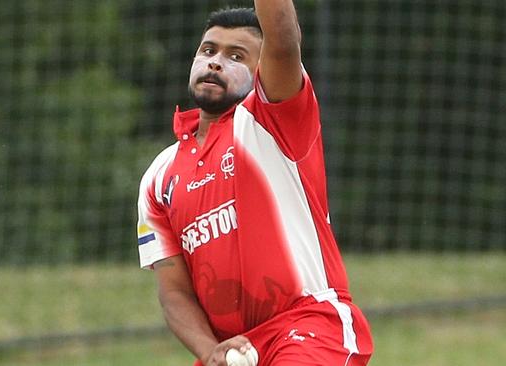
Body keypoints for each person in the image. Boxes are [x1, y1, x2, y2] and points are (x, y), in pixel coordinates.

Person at [137, 2, 373, 365]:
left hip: (308, 327)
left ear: (261, 71)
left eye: (236, 56)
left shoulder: (270, 119)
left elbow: (282, 39)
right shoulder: (159, 176)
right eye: (208, 50)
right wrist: (209, 351)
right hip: (234, 352)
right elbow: (174, 292)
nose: (215, 62)